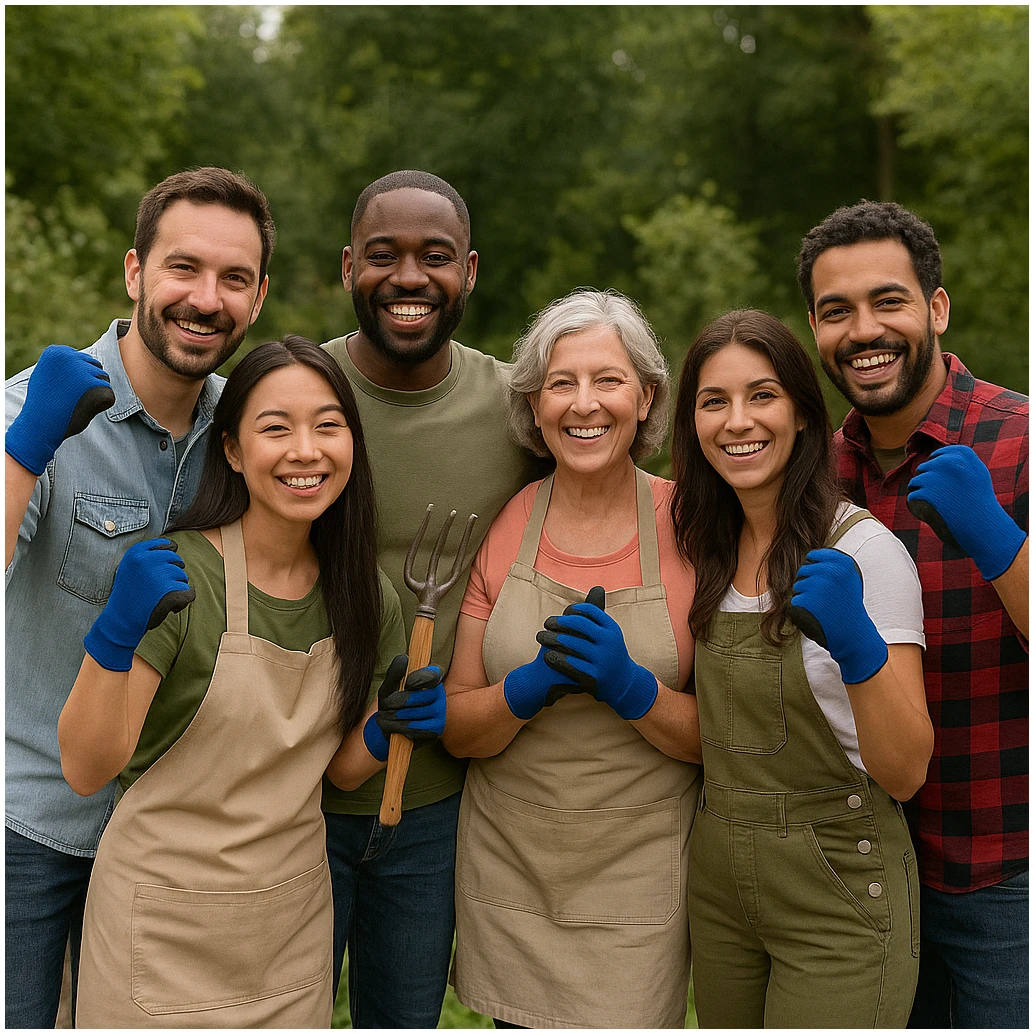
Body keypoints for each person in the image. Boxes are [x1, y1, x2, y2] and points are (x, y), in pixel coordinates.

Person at [57, 337, 446, 1027]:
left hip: (287, 938)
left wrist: (388, 728)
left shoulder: (367, 597)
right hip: (159, 935)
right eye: (277, 428)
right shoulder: (180, 577)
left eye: (329, 426)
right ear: (232, 450)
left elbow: (340, 773)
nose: (307, 450)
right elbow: (87, 769)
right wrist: (115, 631)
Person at [4, 167, 274, 1029]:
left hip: (175, 840)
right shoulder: (29, 411)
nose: (206, 299)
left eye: (234, 279)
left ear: (260, 297)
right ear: (134, 272)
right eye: (183, 269)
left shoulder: (251, 436)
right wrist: (25, 452)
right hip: (33, 832)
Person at [797, 201, 1029, 1029]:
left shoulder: (1021, 440)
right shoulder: (813, 478)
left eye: (887, 302)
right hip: (863, 877)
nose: (864, 330)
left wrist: (1002, 545)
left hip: (1007, 875)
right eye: (836, 312)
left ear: (935, 308)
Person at [443, 288, 702, 1029]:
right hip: (513, 872)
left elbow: (727, 739)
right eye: (561, 383)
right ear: (534, 403)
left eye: (608, 381)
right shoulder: (506, 522)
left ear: (647, 397)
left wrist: (631, 690)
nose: (583, 404)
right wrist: (526, 690)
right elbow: (460, 726)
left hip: (639, 884)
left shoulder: (690, 525)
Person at [320, 171, 541, 1027]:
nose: (409, 277)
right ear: (349, 267)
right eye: (384, 255)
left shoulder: (516, 410)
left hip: (439, 808)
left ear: (471, 271)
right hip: (293, 794)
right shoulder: (298, 392)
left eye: (435, 256)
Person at [670, 309, 933, 1027]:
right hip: (720, 883)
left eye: (762, 395)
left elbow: (906, 770)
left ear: (805, 416)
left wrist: (859, 647)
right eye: (713, 401)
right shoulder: (700, 550)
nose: (737, 421)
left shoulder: (864, 553)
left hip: (838, 889)